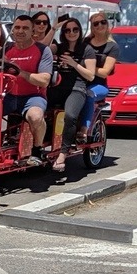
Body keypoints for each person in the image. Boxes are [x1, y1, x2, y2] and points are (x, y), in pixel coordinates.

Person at [0, 15, 52, 166]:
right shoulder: (7, 48)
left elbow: (45, 80)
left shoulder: (42, 50)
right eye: (17, 27)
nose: (20, 31)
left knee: (35, 117)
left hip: (33, 96)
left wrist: (21, 73)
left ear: (33, 30)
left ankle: (37, 149)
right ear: (13, 29)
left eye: (25, 28)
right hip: (8, 95)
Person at [49, 18, 97, 173]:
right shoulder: (59, 47)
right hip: (57, 86)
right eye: (67, 30)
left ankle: (63, 153)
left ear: (80, 30)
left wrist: (74, 63)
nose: (71, 33)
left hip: (77, 87)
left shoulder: (86, 49)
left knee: (70, 115)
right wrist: (53, 28)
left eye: (75, 29)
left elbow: (90, 76)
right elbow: (42, 48)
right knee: (38, 108)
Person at [79, 12, 119, 135]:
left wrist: (87, 68)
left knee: (89, 95)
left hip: (99, 85)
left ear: (107, 24)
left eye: (103, 22)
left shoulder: (112, 47)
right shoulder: (85, 42)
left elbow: (105, 72)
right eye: (96, 23)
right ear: (92, 27)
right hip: (81, 82)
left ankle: (84, 130)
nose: (100, 25)